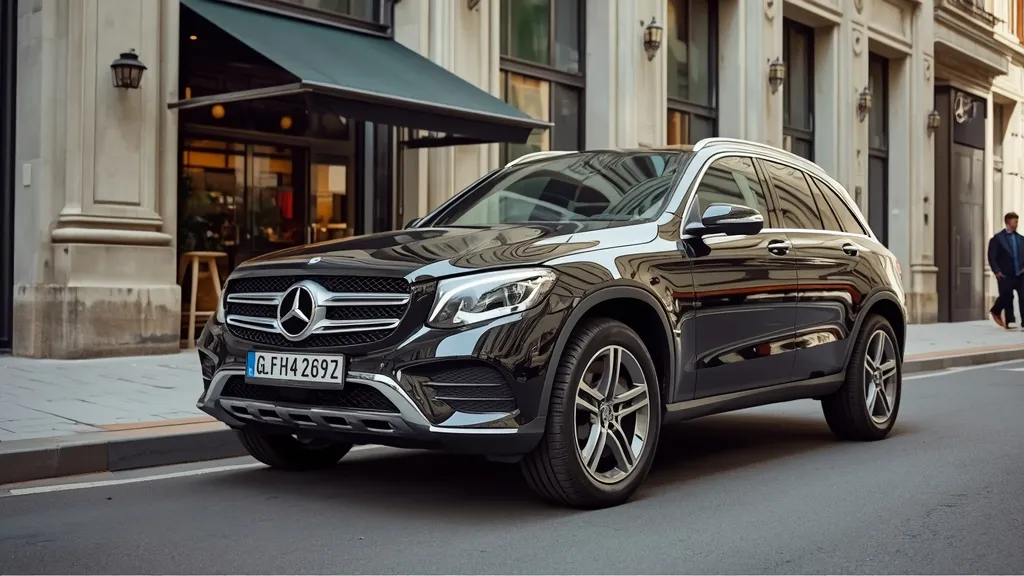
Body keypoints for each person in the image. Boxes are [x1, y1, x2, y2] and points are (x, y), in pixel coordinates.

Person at [988, 211, 1024, 329]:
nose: (1016, 224)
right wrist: (997, 271)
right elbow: (992, 256)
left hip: (1020, 273)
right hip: (1005, 274)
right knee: (1007, 296)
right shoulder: (998, 239)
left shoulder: (1021, 239)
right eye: (1015, 221)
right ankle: (1009, 319)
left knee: (1023, 296)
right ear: (1008, 222)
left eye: (1017, 221)